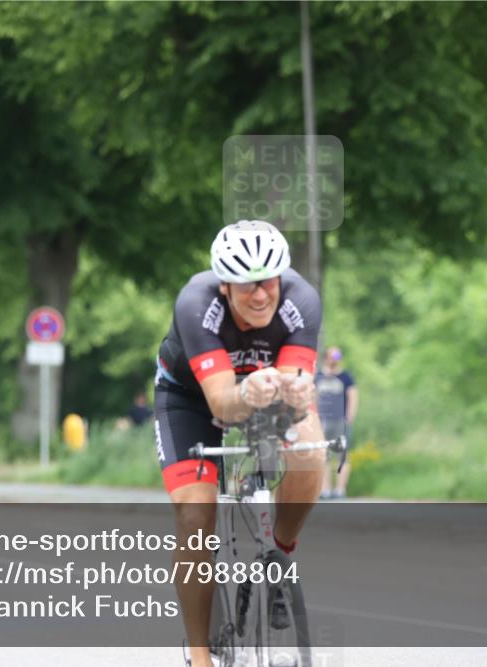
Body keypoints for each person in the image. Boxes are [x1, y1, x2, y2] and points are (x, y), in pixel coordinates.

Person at [154, 220, 323, 667]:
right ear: (225, 287)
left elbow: (294, 389)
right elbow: (223, 404)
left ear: (282, 277)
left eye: (267, 281)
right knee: (195, 517)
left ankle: (280, 557)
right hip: (192, 397)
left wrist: (299, 394)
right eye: (246, 286)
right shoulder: (196, 303)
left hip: (266, 388)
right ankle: (199, 653)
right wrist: (246, 395)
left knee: (309, 450)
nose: (260, 294)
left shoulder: (301, 301)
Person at [316, 346, 359, 499]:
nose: (334, 360)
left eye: (336, 357)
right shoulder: (319, 376)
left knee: (342, 456)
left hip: (340, 420)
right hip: (322, 422)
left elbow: (353, 396)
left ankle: (340, 490)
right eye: (331, 357)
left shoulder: (345, 377)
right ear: (325, 358)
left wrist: (349, 418)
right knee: (323, 456)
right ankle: (325, 490)